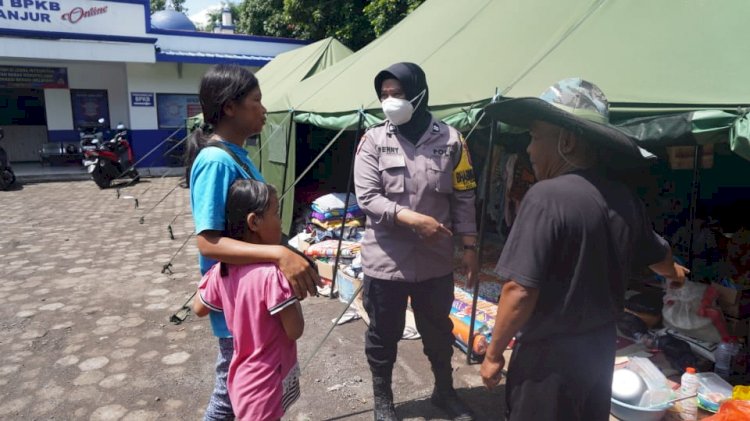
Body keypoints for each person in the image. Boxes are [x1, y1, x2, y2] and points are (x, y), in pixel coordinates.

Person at [478, 78, 689, 420]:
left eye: (534, 136)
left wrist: (493, 355)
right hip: (599, 352)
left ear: (568, 140)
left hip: (549, 361)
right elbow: (660, 255)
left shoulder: (546, 197)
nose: (528, 150)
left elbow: (518, 289)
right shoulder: (624, 198)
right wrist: (675, 274)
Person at [188, 64, 319, 421]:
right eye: (256, 101)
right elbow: (208, 243)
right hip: (240, 309)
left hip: (252, 305)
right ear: (230, 107)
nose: (263, 110)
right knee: (230, 401)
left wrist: (289, 252)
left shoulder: (236, 156)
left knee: (237, 398)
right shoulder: (216, 161)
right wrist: (277, 253)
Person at [353, 62, 479, 421]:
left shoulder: (453, 140)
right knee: (383, 336)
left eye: (398, 94)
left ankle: (444, 392)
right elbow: (367, 197)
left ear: (419, 94)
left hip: (435, 262)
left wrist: (469, 247)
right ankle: (384, 401)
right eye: (384, 95)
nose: (390, 101)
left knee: (438, 332)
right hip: (385, 261)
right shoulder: (373, 140)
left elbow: (465, 196)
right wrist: (410, 218)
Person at [193, 179, 303, 421]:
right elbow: (295, 330)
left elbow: (198, 308)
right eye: (276, 212)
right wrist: (293, 290)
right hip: (265, 383)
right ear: (254, 222)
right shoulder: (272, 276)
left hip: (240, 376)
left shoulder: (222, 270)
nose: (281, 220)